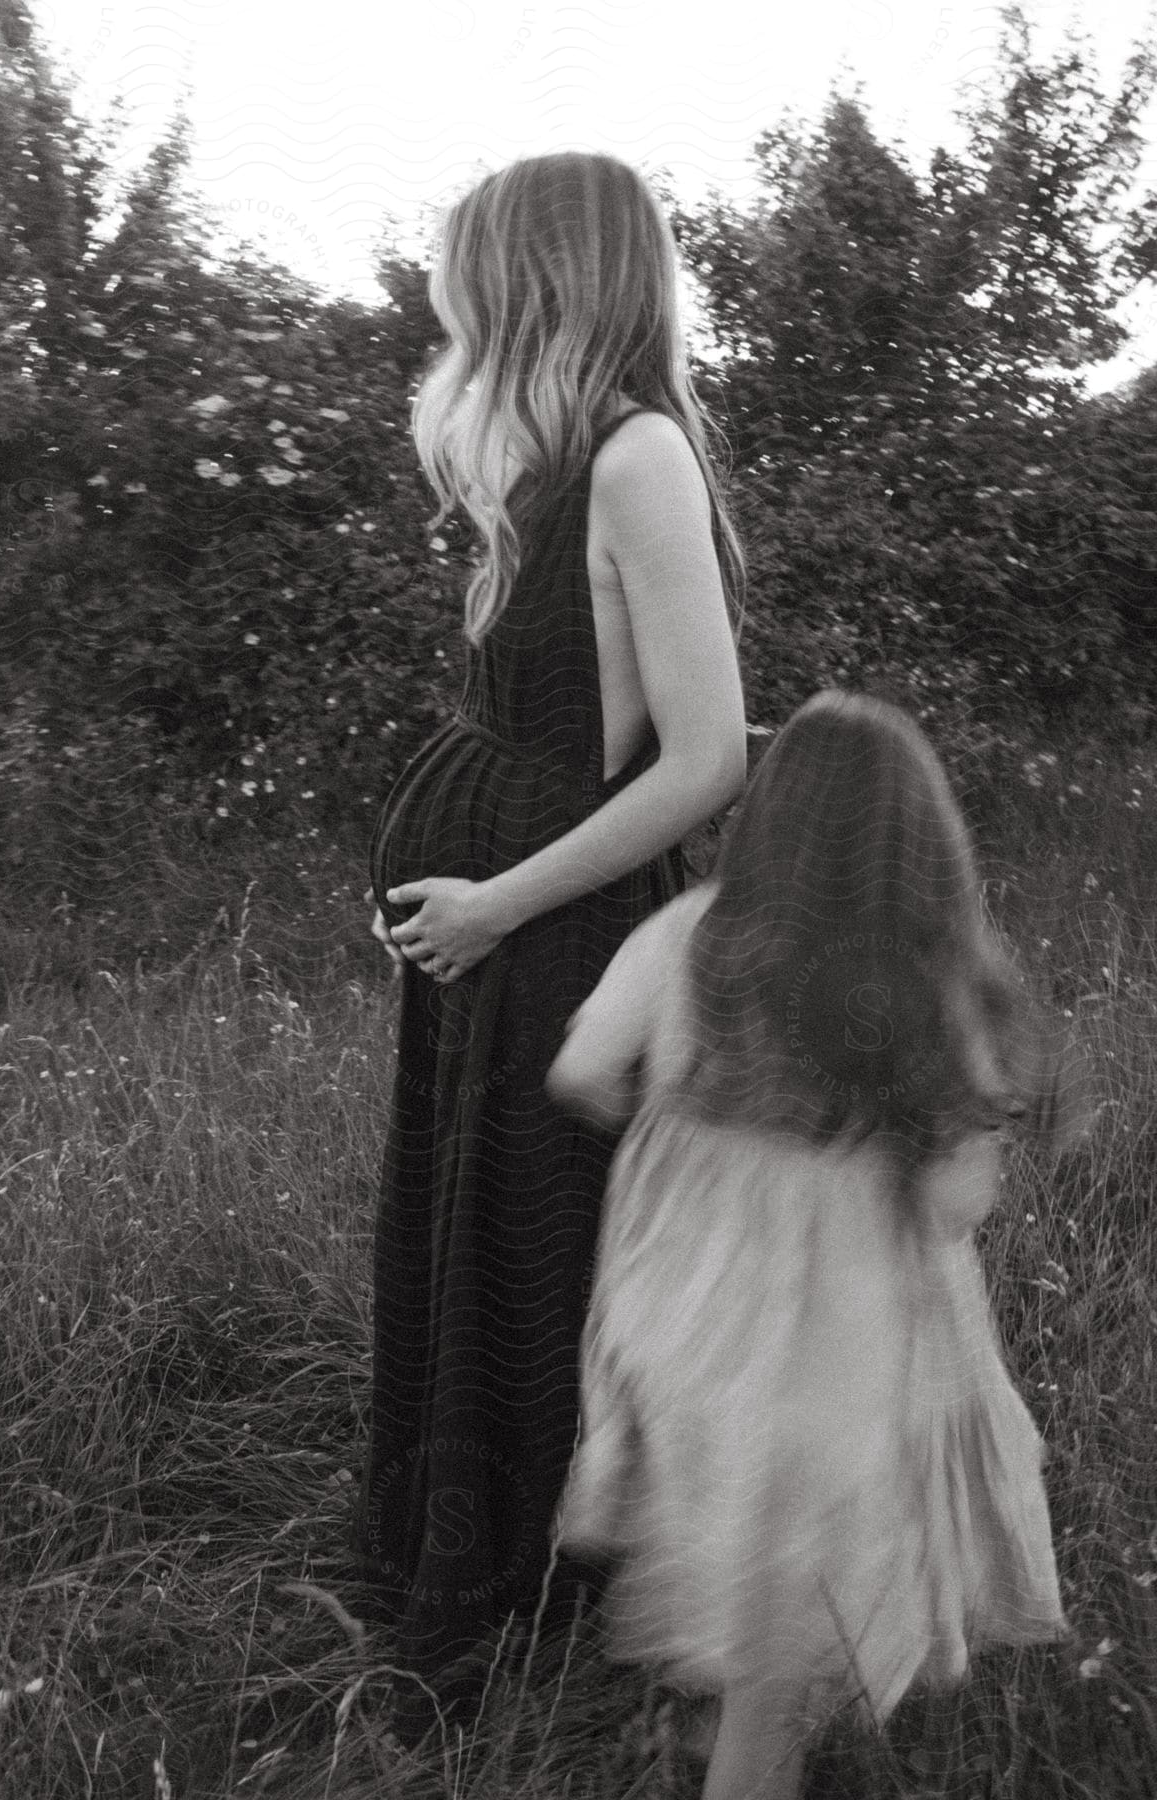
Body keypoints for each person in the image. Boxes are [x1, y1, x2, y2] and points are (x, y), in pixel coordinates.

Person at [355, 149, 749, 1745]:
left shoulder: (639, 457)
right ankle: (482, 1557)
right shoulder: (536, 459)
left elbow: (704, 756)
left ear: (536, 276)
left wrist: (499, 902)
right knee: (481, 1237)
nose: (448, 299)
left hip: (557, 932)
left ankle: (548, 1605)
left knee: (549, 1249)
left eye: (468, 271)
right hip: (484, 934)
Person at [547, 690, 1086, 1800]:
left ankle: (703, 1721)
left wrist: (676, 1132)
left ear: (768, 816)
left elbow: (582, 1070)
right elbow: (955, 1202)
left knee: (731, 1546)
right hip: (834, 1353)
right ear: (922, 838)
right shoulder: (933, 981)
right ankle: (740, 1757)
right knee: (786, 1639)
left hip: (683, 1317)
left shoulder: (687, 935)